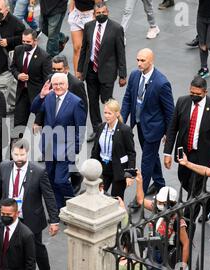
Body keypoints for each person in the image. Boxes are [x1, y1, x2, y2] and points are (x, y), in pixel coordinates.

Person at [0, 138, 59, 270]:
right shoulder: (4, 167)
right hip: (8, 216)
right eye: (16, 154)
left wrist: (54, 220)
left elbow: (49, 197)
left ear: (28, 153)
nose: (19, 158)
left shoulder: (39, 172)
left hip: (31, 218)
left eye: (22, 155)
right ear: (11, 153)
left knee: (37, 250)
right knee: (6, 246)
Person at [164, 76, 210, 226]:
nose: (193, 96)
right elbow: (173, 128)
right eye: (191, 92)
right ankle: (207, 201)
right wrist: (167, 152)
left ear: (205, 92)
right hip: (185, 153)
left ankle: (187, 223)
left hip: (204, 156)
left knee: (194, 190)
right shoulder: (182, 101)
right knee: (184, 180)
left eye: (197, 94)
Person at [121, 48, 174, 195]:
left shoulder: (162, 83)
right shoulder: (134, 76)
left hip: (154, 128)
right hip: (140, 125)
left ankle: (141, 194)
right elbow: (127, 99)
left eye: (142, 60)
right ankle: (159, 184)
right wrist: (122, 122)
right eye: (138, 59)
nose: (139, 63)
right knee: (151, 155)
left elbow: (170, 112)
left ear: (151, 61)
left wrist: (168, 135)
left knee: (146, 161)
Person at [30, 73, 87, 209]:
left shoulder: (76, 102)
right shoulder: (48, 97)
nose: (58, 87)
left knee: (61, 180)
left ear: (67, 85)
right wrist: (41, 96)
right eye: (55, 84)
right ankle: (59, 208)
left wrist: (76, 148)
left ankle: (72, 206)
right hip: (49, 146)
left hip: (66, 148)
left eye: (61, 84)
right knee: (51, 179)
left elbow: (81, 127)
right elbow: (34, 109)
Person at [77, 2, 127, 142]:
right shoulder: (88, 27)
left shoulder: (116, 28)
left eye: (103, 12)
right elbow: (84, 50)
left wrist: (122, 74)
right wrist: (80, 70)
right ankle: (97, 129)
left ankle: (112, 127)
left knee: (107, 101)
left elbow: (121, 52)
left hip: (107, 72)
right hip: (91, 70)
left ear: (108, 12)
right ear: (94, 14)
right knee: (92, 102)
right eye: (98, 13)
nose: (101, 15)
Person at [135, 171, 190, 270]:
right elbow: (140, 200)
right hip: (154, 251)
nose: (157, 203)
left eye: (160, 202)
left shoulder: (177, 220)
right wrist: (139, 182)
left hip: (169, 254)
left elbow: (185, 243)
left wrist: (183, 265)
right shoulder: (156, 208)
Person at [91, 99, 136, 199]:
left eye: (109, 113)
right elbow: (95, 150)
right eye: (105, 113)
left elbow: (131, 153)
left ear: (117, 113)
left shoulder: (125, 130)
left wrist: (130, 175)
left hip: (119, 169)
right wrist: (92, 167)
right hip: (103, 168)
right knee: (99, 196)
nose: (106, 116)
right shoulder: (100, 127)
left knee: (117, 199)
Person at [10, 28, 52, 131]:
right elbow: (13, 67)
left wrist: (43, 96)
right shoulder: (18, 50)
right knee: (18, 128)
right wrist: (18, 75)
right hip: (22, 93)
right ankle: (16, 146)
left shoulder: (44, 57)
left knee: (40, 127)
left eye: (28, 42)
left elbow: (47, 79)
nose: (25, 44)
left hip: (37, 95)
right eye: (23, 41)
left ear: (35, 41)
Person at [68, 0, 100, 74]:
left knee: (94, 48)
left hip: (91, 16)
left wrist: (95, 19)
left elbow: (98, 4)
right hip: (76, 15)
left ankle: (96, 73)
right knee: (77, 48)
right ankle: (77, 77)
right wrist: (71, 11)